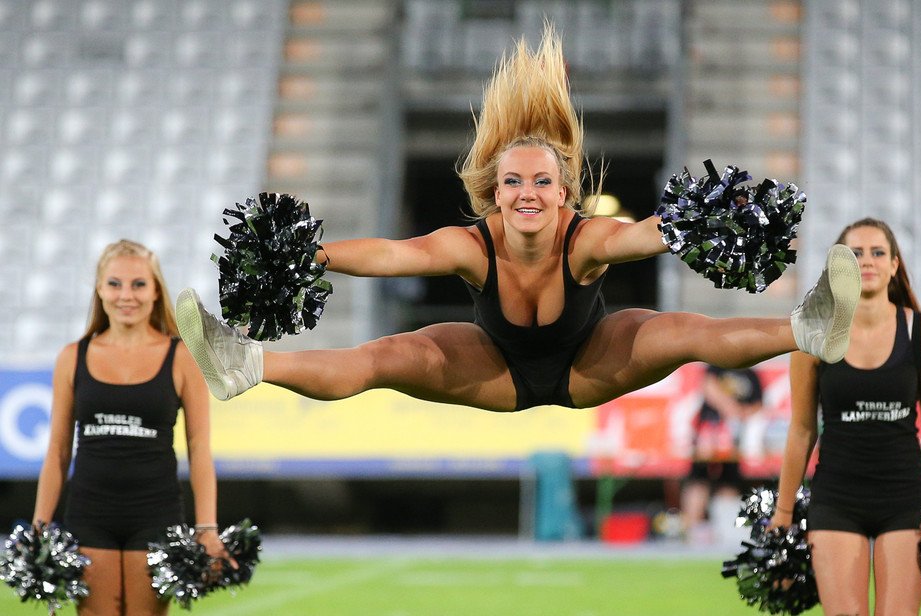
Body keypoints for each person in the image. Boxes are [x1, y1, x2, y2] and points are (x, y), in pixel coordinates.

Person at [175, 27, 861, 416]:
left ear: (564, 192)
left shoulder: (585, 239)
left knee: (681, 331)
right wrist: (311, 255)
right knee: (387, 356)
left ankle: (809, 329)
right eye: (512, 182)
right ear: (493, 194)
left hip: (590, 366)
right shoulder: (470, 244)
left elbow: (644, 234)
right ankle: (246, 364)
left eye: (541, 181)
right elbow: (393, 254)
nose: (527, 193)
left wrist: (701, 220)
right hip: (494, 370)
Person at [770, 218, 921, 615]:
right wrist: (783, 512)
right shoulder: (812, 333)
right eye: (855, 254)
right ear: (838, 267)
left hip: (904, 496)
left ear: (895, 264)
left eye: (878, 252)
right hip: (836, 498)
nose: (867, 261)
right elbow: (802, 430)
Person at [32, 239, 232, 616]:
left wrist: (207, 527)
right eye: (115, 284)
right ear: (99, 289)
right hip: (89, 515)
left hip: (155, 515)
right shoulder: (72, 357)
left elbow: (199, 449)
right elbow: (57, 452)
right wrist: (39, 527)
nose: (127, 295)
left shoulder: (182, 357)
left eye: (139, 284)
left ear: (156, 291)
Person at [680, 364, 763, 541]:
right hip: (709, 433)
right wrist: (730, 408)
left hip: (735, 439)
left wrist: (740, 414)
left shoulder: (751, 374)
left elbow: (758, 404)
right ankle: (690, 529)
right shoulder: (717, 366)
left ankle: (726, 530)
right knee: (699, 478)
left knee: (729, 481)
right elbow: (708, 386)